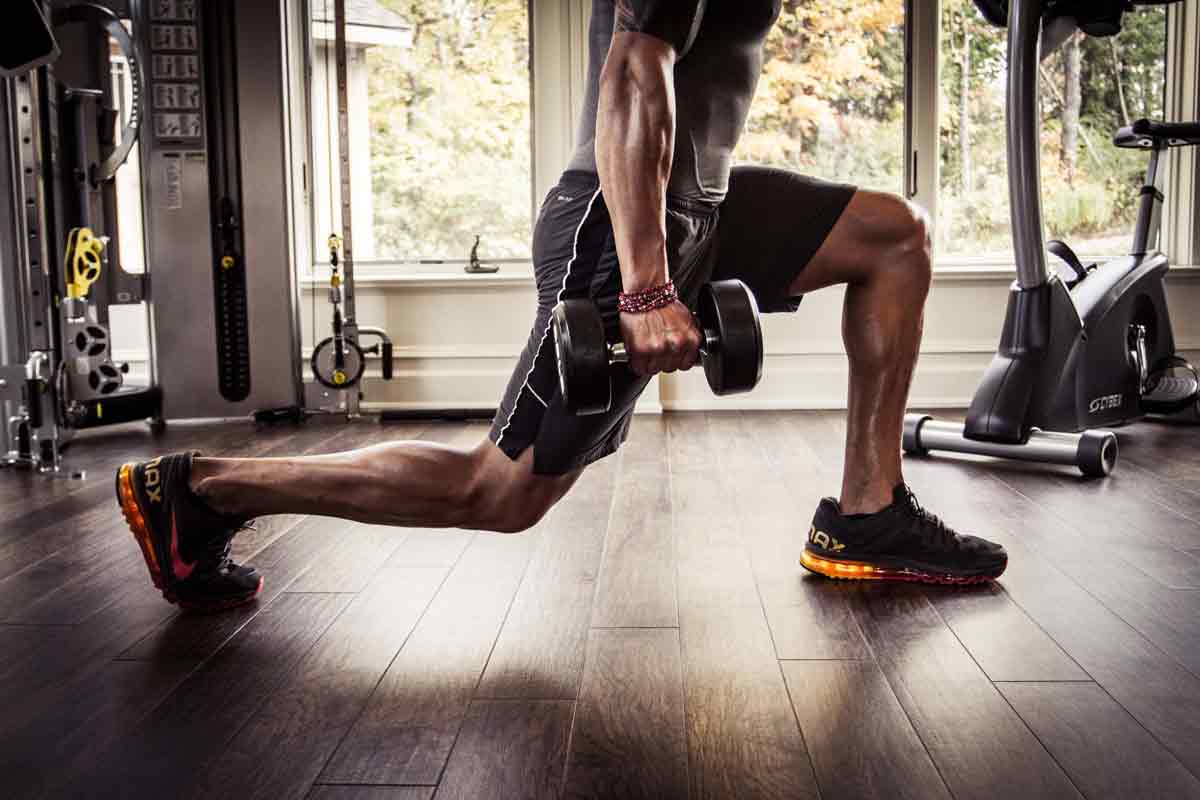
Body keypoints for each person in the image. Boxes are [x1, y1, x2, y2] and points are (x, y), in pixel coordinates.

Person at [115, 0, 1006, 612]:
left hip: (705, 204)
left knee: (894, 235)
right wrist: (646, 285)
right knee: (500, 492)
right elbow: (634, 72)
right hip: (620, 222)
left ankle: (868, 513)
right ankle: (202, 488)